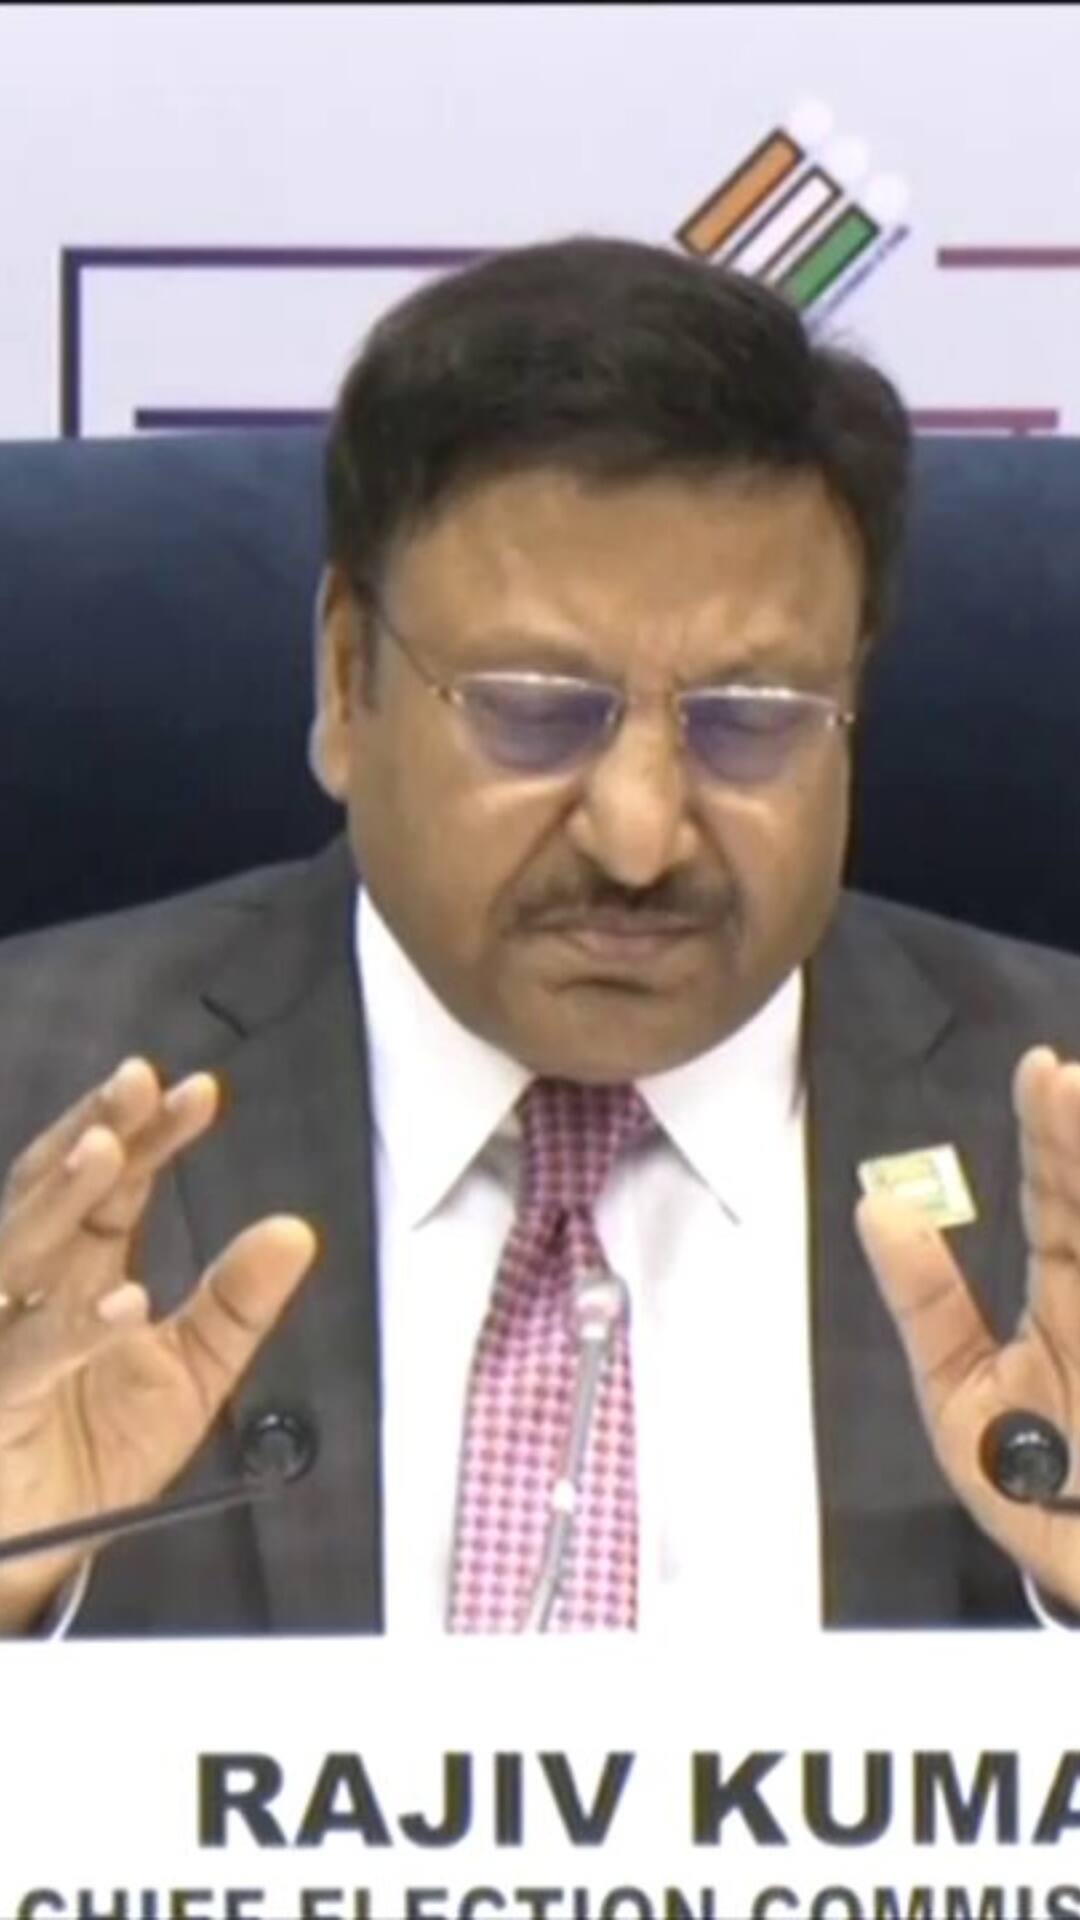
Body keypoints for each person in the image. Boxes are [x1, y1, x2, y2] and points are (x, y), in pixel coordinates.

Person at [3, 234, 1080, 1637]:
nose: (639, 835)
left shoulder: (1057, 1117)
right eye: (532, 712)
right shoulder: (28, 1100)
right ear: (346, 676)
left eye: (750, 722)